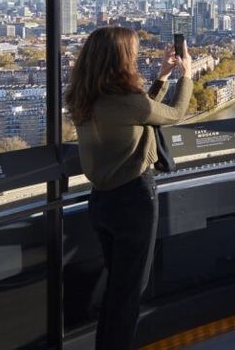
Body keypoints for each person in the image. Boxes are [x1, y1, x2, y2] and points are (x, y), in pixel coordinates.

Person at [67, 27, 193, 350]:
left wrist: (162, 77)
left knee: (116, 292)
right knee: (130, 296)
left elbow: (140, 114)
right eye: (132, 54)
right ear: (119, 59)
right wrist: (186, 75)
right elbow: (174, 114)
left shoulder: (85, 99)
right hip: (134, 201)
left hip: (100, 203)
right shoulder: (127, 102)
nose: (136, 58)